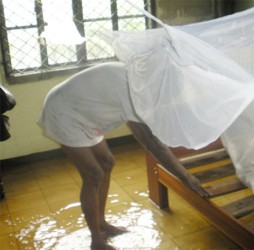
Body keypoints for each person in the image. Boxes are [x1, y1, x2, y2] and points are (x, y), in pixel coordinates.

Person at [38, 61, 207, 250]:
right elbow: (151, 143)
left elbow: (146, 133)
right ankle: (96, 240)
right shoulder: (135, 90)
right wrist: (185, 176)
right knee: (93, 174)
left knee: (107, 162)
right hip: (63, 112)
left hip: (83, 112)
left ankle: (101, 222)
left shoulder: (141, 79)